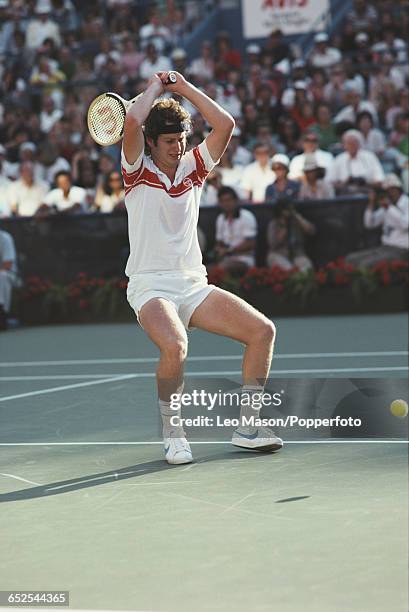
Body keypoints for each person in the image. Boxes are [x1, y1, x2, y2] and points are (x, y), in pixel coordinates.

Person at [122, 71, 282, 465]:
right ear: (150, 142)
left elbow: (226, 124)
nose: (178, 147)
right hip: (149, 286)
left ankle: (248, 426)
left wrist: (184, 88)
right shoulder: (135, 170)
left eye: (181, 139)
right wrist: (156, 88)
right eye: (169, 141)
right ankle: (173, 432)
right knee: (175, 345)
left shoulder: (195, 166)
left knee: (262, 332)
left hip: (193, 284)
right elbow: (130, 121)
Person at [345, 175, 409, 267]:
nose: (390, 193)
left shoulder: (406, 203)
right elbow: (369, 224)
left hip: (402, 249)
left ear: (398, 189)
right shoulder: (387, 206)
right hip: (385, 247)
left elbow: (405, 224)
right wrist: (371, 203)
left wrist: (389, 208)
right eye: (387, 191)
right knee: (351, 259)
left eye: (392, 190)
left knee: (365, 265)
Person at [214, 186, 257, 275]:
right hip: (225, 259)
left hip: (244, 260)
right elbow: (219, 242)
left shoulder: (246, 216)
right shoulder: (220, 219)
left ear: (236, 200)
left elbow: (250, 244)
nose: (226, 204)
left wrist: (229, 250)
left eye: (229, 200)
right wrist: (218, 249)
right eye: (223, 201)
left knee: (221, 269)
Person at [328, 129, 385, 194]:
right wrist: (345, 183)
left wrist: (366, 182)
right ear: (344, 145)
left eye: (354, 143)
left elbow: (380, 180)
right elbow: (330, 182)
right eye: (349, 143)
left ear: (359, 143)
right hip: (345, 195)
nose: (351, 146)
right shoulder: (338, 160)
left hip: (367, 192)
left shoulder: (370, 156)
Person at [266, 199, 316, 270]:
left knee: (306, 270)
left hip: (298, 254)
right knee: (287, 270)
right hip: (279, 254)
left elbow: (311, 231)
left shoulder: (296, 221)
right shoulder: (273, 224)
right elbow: (273, 244)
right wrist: (283, 226)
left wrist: (298, 218)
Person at [0, 229, 18, 330]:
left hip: (10, 275)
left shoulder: (5, 238)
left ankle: (2, 313)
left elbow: (7, 265)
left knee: (1, 276)